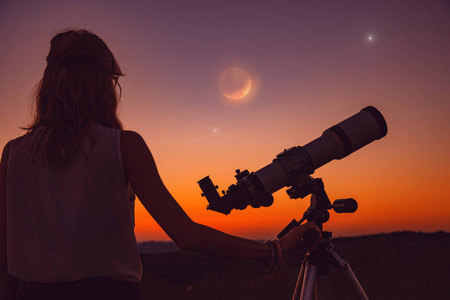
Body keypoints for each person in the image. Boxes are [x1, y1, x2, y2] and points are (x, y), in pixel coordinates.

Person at [0, 29, 319, 300]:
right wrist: (273, 250)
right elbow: (187, 236)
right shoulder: (122, 145)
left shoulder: (12, 152)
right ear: (103, 83)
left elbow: (5, 251)